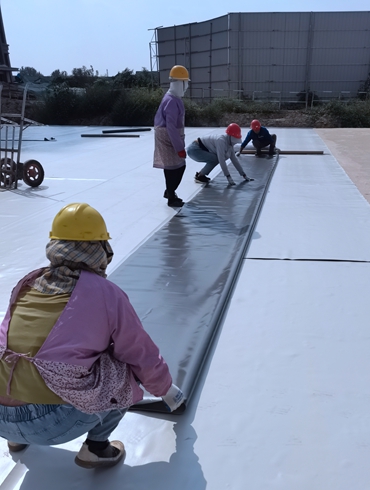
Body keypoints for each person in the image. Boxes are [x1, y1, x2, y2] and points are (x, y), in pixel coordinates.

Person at [0, 203, 185, 469]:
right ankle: (96, 448)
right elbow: (139, 353)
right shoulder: (105, 293)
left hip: (1, 419)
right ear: (99, 250)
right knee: (123, 366)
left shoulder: (29, 282)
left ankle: (15, 439)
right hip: (53, 425)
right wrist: (167, 391)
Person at [153, 65, 190, 208]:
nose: (186, 86)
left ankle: (170, 192)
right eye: (185, 83)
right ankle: (171, 195)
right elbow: (171, 127)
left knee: (173, 167)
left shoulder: (173, 98)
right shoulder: (171, 101)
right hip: (167, 138)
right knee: (175, 168)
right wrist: (179, 148)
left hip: (170, 137)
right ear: (179, 83)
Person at [186, 123, 253, 186]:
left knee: (216, 158)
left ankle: (200, 174)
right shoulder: (221, 141)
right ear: (230, 136)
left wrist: (243, 175)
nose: (235, 142)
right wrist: (228, 176)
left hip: (199, 149)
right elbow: (221, 160)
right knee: (216, 159)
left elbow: (234, 160)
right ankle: (200, 176)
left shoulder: (229, 144)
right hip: (194, 150)